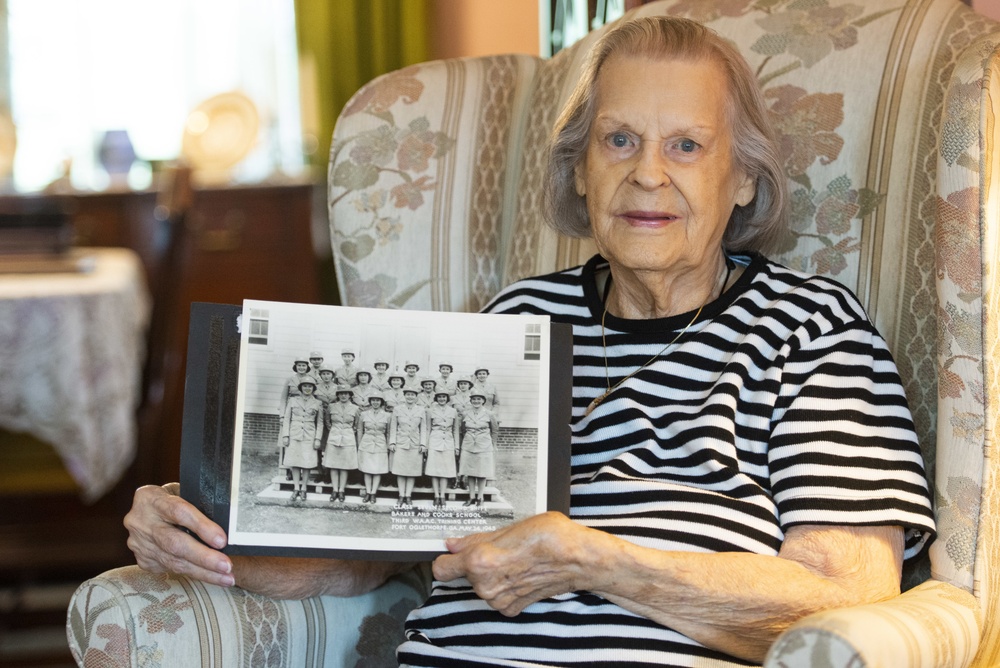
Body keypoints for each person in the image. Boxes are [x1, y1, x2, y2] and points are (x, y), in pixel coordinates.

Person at [124, 16, 935, 667]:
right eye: (619, 140)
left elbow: (844, 600)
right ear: (580, 171)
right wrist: (206, 531)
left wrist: (593, 560)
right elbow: (366, 558)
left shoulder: (811, 331)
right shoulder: (515, 323)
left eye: (686, 145)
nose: (648, 173)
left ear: (745, 178)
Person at [279, 379, 322, 505]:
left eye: (310, 386)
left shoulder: (317, 403)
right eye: (305, 386)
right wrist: (286, 435)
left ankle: (304, 488)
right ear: (300, 388)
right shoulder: (293, 400)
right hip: (294, 434)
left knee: (307, 462)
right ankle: (296, 487)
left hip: (309, 435)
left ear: (313, 388)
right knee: (295, 462)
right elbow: (287, 419)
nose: (307, 388)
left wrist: (317, 438)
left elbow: (320, 422)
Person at [457, 392, 498, 508]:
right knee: (470, 472)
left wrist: (493, 444)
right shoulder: (466, 414)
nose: (476, 401)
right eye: (474, 399)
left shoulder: (489, 414)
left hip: (484, 445)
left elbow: (494, 431)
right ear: (471, 401)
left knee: (482, 472)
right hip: (469, 444)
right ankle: (471, 497)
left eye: (479, 399)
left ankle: (480, 497)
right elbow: (463, 430)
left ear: (483, 401)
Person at [389, 388, 427, 508]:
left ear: (416, 397)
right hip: (401, 442)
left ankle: (408, 495)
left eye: (412, 395)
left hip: (415, 444)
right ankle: (401, 495)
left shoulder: (421, 410)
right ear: (404, 396)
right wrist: (392, 442)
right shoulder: (397, 409)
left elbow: (423, 428)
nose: (410, 397)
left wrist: (423, 444)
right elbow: (393, 427)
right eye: (408, 395)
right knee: (400, 471)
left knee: (411, 471)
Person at [322, 384, 359, 503]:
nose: (343, 395)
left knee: (344, 466)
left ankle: (341, 490)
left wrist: (348, 432)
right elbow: (327, 421)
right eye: (341, 393)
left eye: (346, 393)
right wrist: (334, 430)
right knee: (333, 465)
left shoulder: (355, 408)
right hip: (334, 437)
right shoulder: (331, 407)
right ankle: (334, 490)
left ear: (350, 395)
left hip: (348, 438)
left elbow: (357, 424)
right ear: (337, 395)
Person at [426, 390, 461, 508]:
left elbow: (455, 429)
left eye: (444, 397)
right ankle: (436, 495)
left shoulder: (453, 411)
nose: (442, 399)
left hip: (448, 442)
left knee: (445, 470)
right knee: (434, 470)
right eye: (439, 397)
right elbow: (428, 429)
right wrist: (426, 445)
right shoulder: (430, 411)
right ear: (436, 398)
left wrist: (456, 446)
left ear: (447, 399)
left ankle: (442, 495)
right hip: (434, 441)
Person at [357, 393, 391, 504]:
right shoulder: (364, 414)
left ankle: (373, 493)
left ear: (381, 402)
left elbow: (389, 432)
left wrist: (388, 445)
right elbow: (360, 430)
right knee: (367, 469)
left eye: (378, 400)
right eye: (373, 400)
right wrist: (359, 444)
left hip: (380, 443)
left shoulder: (387, 415)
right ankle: (368, 492)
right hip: (366, 443)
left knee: (377, 469)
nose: (375, 402)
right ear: (370, 401)